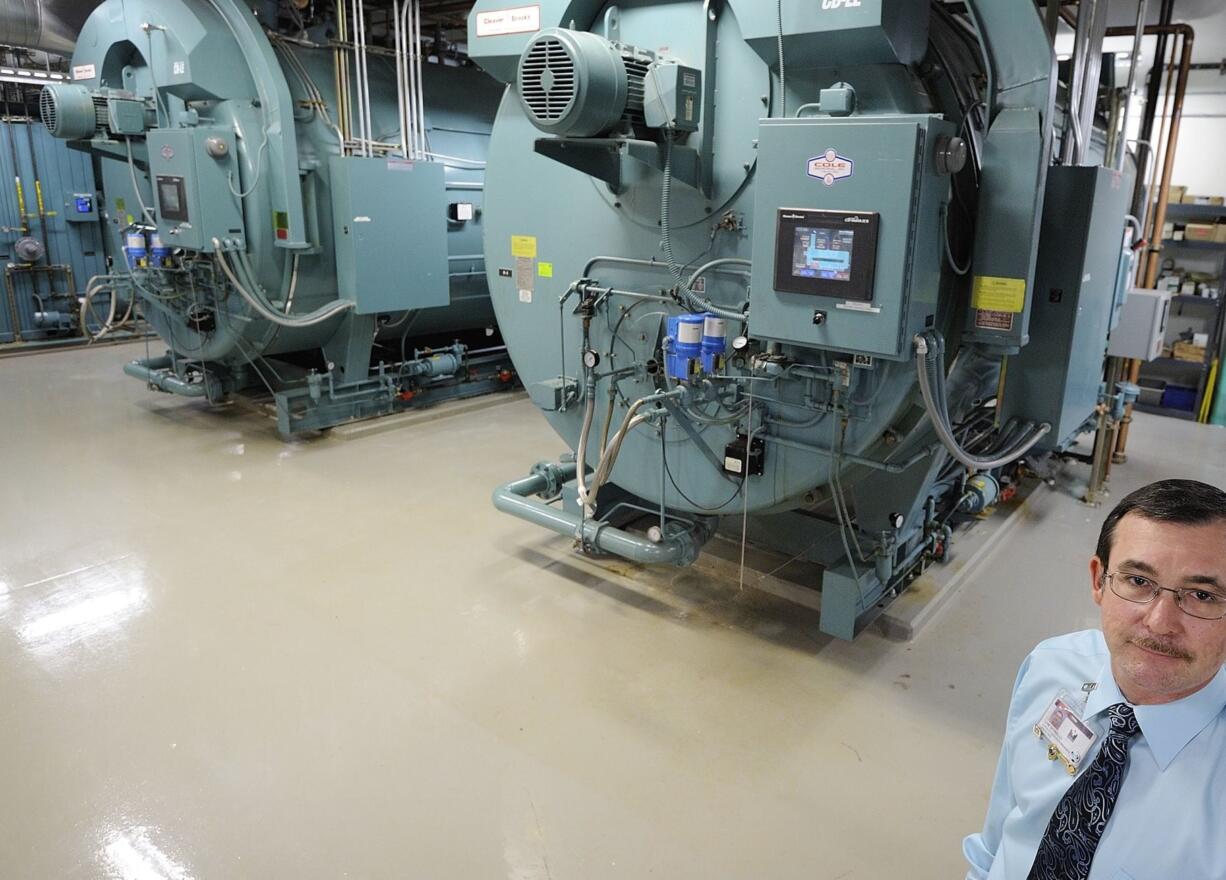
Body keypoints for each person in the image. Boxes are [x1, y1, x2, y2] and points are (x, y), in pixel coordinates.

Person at [963, 478, 1226, 880]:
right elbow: (1002, 830)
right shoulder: (1051, 667)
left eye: (1201, 596)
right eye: (1139, 582)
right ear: (1098, 581)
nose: (1159, 622)